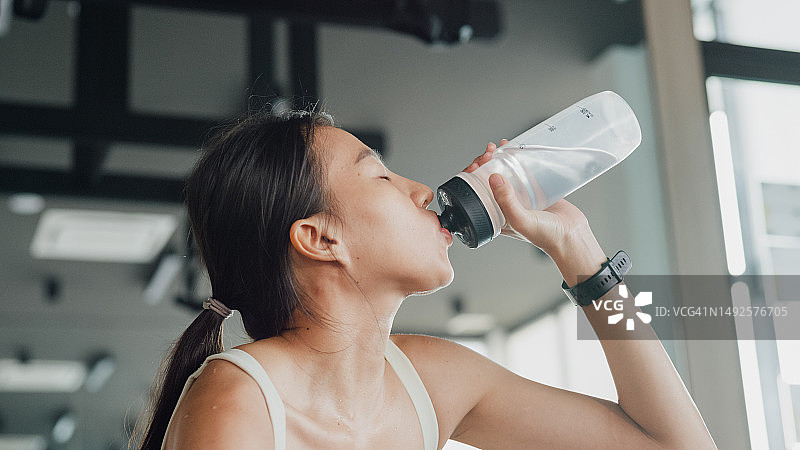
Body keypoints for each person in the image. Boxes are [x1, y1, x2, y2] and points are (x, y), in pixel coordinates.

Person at [135, 109, 717, 449]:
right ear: (320, 238)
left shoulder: (434, 378)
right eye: (380, 176)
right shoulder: (236, 399)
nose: (421, 191)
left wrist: (585, 261)